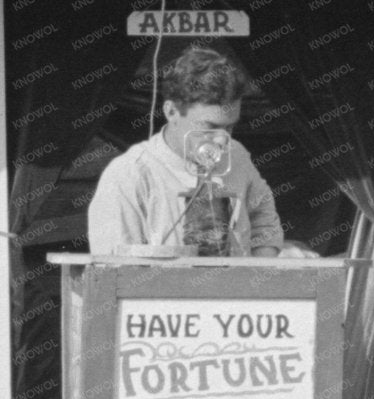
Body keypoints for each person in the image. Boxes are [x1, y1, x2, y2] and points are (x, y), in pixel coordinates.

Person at [87, 43, 310, 258]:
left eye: (230, 126)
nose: (222, 140)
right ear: (172, 112)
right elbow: (113, 267)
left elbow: (263, 216)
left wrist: (263, 264)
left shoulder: (237, 155)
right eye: (209, 127)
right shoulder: (129, 174)